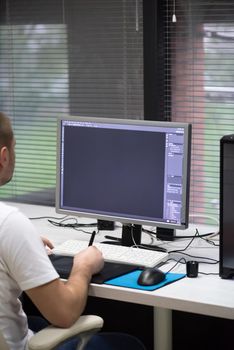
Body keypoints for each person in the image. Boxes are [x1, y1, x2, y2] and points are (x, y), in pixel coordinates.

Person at [0, 112, 146, 350]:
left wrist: (21, 248)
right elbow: (64, 313)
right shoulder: (9, 224)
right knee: (129, 344)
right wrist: (83, 267)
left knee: (33, 319)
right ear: (3, 157)